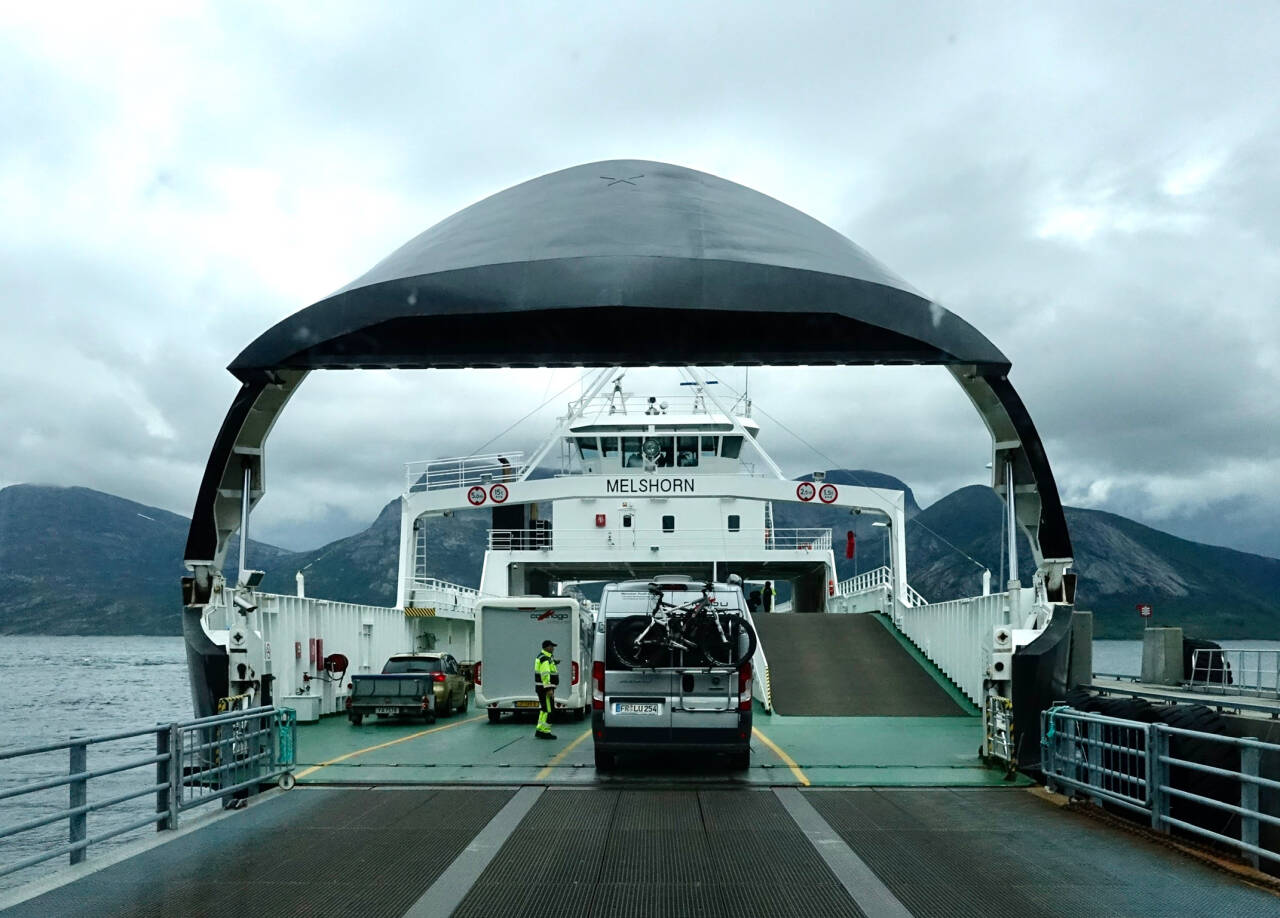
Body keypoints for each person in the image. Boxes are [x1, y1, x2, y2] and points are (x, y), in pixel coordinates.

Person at [534, 639, 559, 740]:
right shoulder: (545, 659)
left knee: (544, 709)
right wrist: (548, 689)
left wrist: (555, 662)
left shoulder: (543, 657)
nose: (553, 648)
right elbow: (545, 674)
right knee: (549, 711)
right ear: (546, 647)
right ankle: (546, 732)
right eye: (551, 646)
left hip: (541, 688)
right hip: (545, 690)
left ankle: (539, 729)